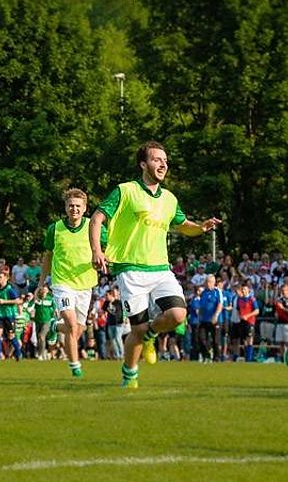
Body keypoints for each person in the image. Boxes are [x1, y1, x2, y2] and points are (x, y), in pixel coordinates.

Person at [90, 141, 221, 388]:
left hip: (161, 269)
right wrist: (97, 250)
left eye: (165, 161)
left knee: (178, 314)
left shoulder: (169, 199)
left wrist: (201, 227)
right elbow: (96, 219)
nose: (163, 164)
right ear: (143, 164)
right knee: (137, 331)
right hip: (130, 270)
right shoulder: (125, 191)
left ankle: (152, 334)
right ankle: (130, 375)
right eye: (156, 159)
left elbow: (183, 225)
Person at [39, 188, 100, 378]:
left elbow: (107, 247)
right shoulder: (55, 229)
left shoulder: (93, 227)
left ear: (85, 208)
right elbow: (47, 256)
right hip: (62, 283)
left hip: (85, 284)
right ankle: (75, 367)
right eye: (71, 205)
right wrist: (41, 282)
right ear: (66, 207)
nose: (74, 209)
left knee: (78, 330)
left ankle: (55, 326)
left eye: (78, 206)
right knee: (72, 326)